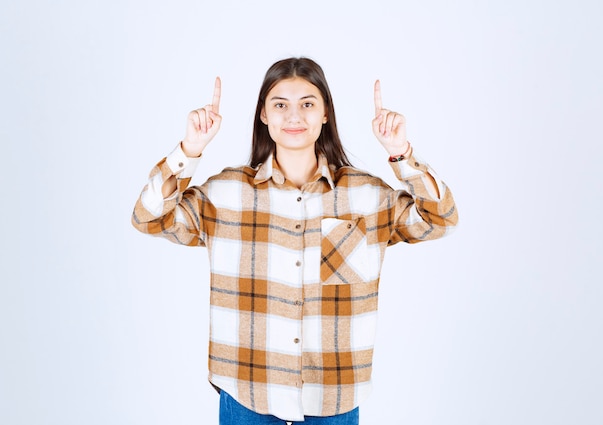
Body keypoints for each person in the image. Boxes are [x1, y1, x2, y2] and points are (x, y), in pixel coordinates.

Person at [132, 57, 458, 424]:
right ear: (264, 115)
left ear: (325, 115)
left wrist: (402, 155)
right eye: (280, 104)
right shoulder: (226, 194)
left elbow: (440, 219)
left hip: (333, 397)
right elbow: (148, 218)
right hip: (246, 393)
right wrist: (189, 150)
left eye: (307, 103)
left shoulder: (366, 196)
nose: (294, 116)